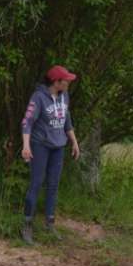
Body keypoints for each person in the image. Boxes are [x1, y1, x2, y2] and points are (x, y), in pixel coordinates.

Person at [20, 65, 81, 244]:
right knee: (36, 183)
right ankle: (27, 225)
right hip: (40, 145)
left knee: (53, 185)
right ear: (56, 82)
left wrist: (74, 142)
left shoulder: (65, 96)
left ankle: (50, 223)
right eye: (66, 80)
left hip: (58, 147)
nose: (68, 82)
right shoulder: (38, 97)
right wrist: (26, 145)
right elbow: (27, 122)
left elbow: (67, 122)